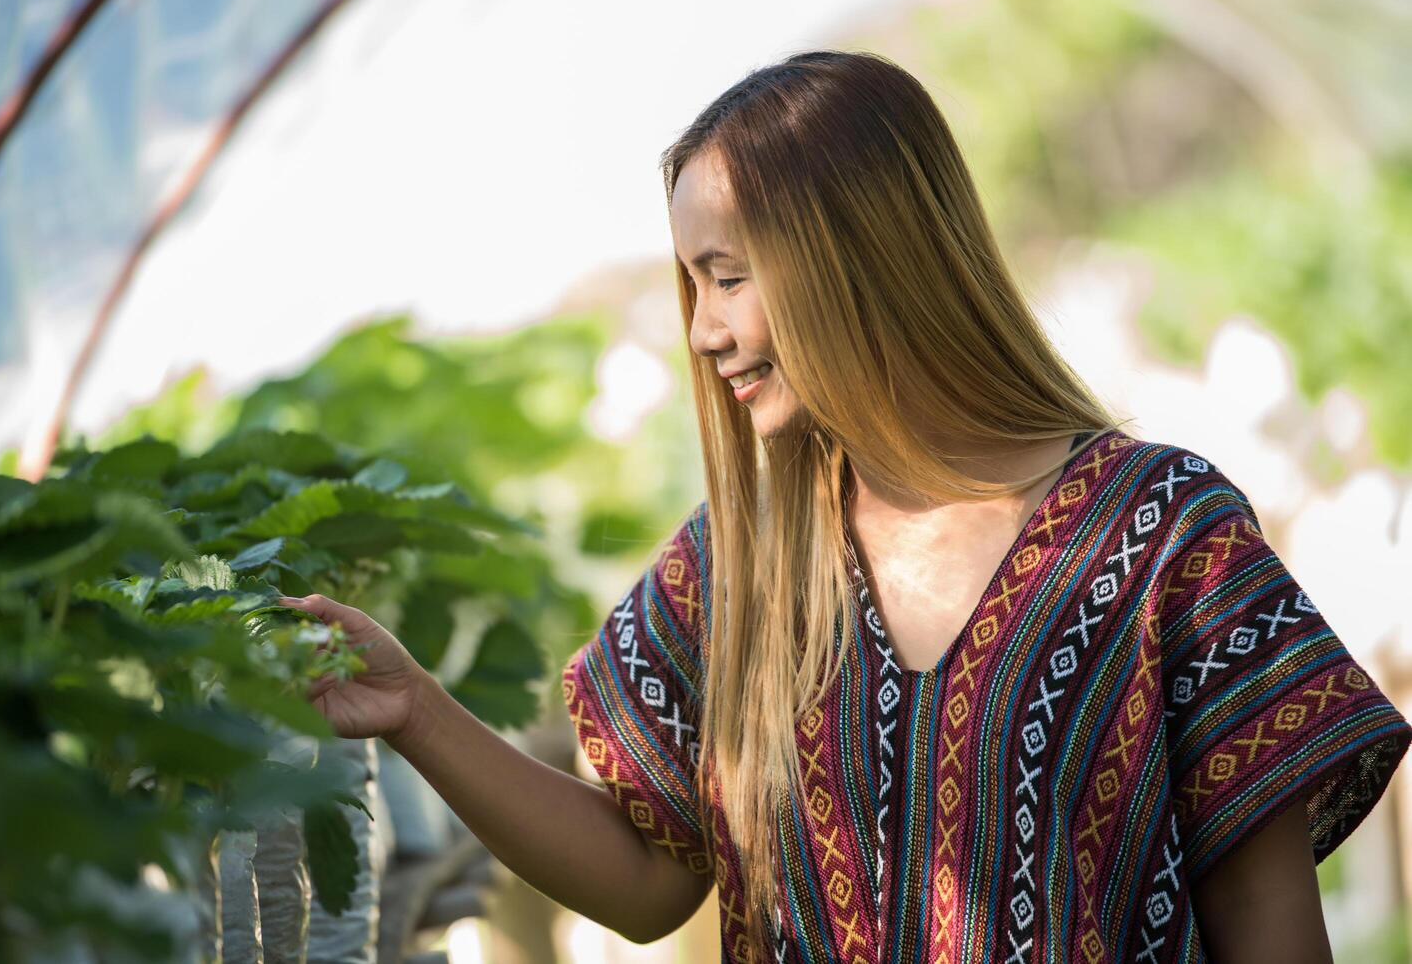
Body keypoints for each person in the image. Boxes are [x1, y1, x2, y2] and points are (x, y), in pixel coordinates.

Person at [280, 50, 1411, 962]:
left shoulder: (1161, 530)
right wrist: (420, 713)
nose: (701, 330)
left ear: (853, 257)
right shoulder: (733, 568)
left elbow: (1268, 920)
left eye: (727, 275)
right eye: (690, 285)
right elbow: (638, 883)